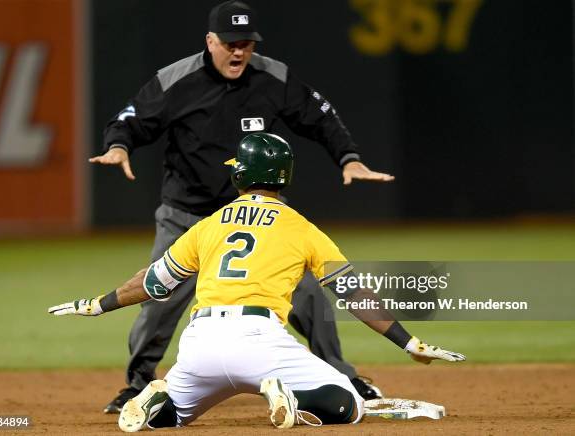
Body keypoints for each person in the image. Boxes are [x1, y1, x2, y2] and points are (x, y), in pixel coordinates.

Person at [90, 0, 395, 413]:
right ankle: (137, 385)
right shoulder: (177, 79)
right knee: (159, 301)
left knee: (308, 294)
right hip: (189, 213)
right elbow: (131, 118)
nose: (238, 51)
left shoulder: (273, 77)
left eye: (246, 43)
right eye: (230, 43)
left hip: (259, 212)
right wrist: (118, 144)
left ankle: (341, 375)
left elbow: (320, 116)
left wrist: (349, 156)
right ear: (210, 41)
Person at [49, 133, 465, 430]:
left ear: (243, 173)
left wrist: (98, 304)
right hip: (262, 342)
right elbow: (352, 292)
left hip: (200, 344)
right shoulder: (300, 228)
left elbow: (154, 284)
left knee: (171, 419)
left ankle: (161, 400)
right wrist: (407, 342)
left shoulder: (209, 225)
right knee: (350, 404)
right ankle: (293, 401)